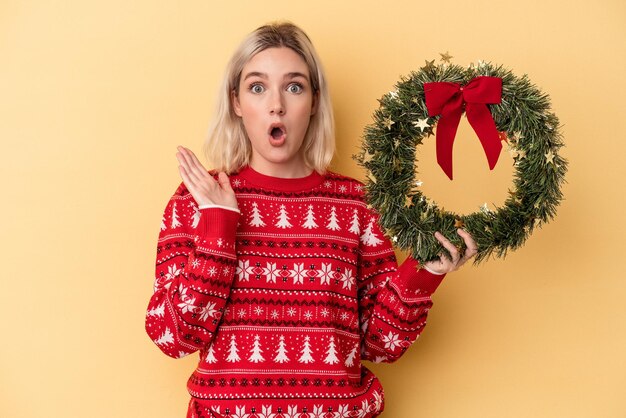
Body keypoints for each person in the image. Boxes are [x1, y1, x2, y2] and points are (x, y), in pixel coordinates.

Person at [145, 22, 477, 418]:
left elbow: (378, 343)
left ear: (315, 101)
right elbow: (173, 337)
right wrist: (219, 224)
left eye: (294, 86)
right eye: (257, 87)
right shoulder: (197, 200)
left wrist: (423, 273)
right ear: (236, 102)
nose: (276, 105)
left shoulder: (355, 206)